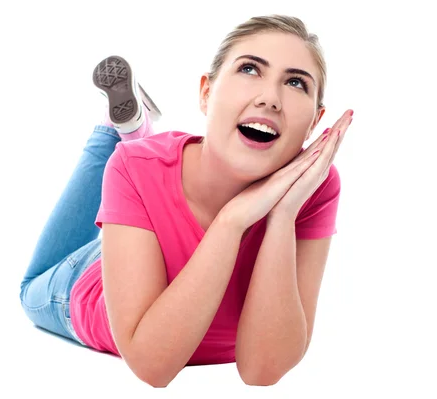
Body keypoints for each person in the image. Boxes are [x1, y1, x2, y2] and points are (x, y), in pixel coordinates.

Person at [19, 14, 353, 387]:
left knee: (138, 171)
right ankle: (117, 130)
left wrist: (283, 213)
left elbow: (262, 371)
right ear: (206, 93)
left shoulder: (314, 187)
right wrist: (232, 221)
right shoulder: (136, 168)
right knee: (29, 289)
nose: (270, 98)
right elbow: (153, 366)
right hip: (88, 285)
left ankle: (134, 132)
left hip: (145, 226)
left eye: (295, 83)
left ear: (315, 122)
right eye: (250, 69)